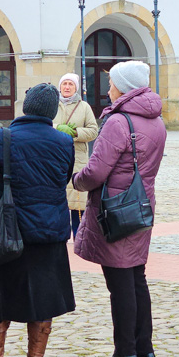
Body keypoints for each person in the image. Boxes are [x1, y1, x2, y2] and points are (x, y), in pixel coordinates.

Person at [0, 83, 76, 357]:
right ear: (52, 111)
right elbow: (63, 178)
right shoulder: (64, 142)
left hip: (7, 232)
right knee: (42, 302)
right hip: (49, 231)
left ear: (25, 107)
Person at [73, 61, 167, 357]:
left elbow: (97, 171)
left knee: (121, 285)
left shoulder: (119, 121)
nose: (109, 88)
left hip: (115, 210)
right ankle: (145, 353)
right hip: (141, 206)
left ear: (124, 86)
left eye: (112, 82)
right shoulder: (157, 121)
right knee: (136, 279)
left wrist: (76, 180)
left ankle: (125, 354)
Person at [53, 73, 98, 238]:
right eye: (64, 83)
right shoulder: (52, 104)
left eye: (70, 84)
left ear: (76, 88)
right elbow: (44, 123)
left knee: (77, 199)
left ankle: (78, 235)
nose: (66, 87)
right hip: (55, 156)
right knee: (58, 198)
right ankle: (59, 236)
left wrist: (75, 132)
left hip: (77, 158)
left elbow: (93, 130)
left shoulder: (84, 107)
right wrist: (58, 128)